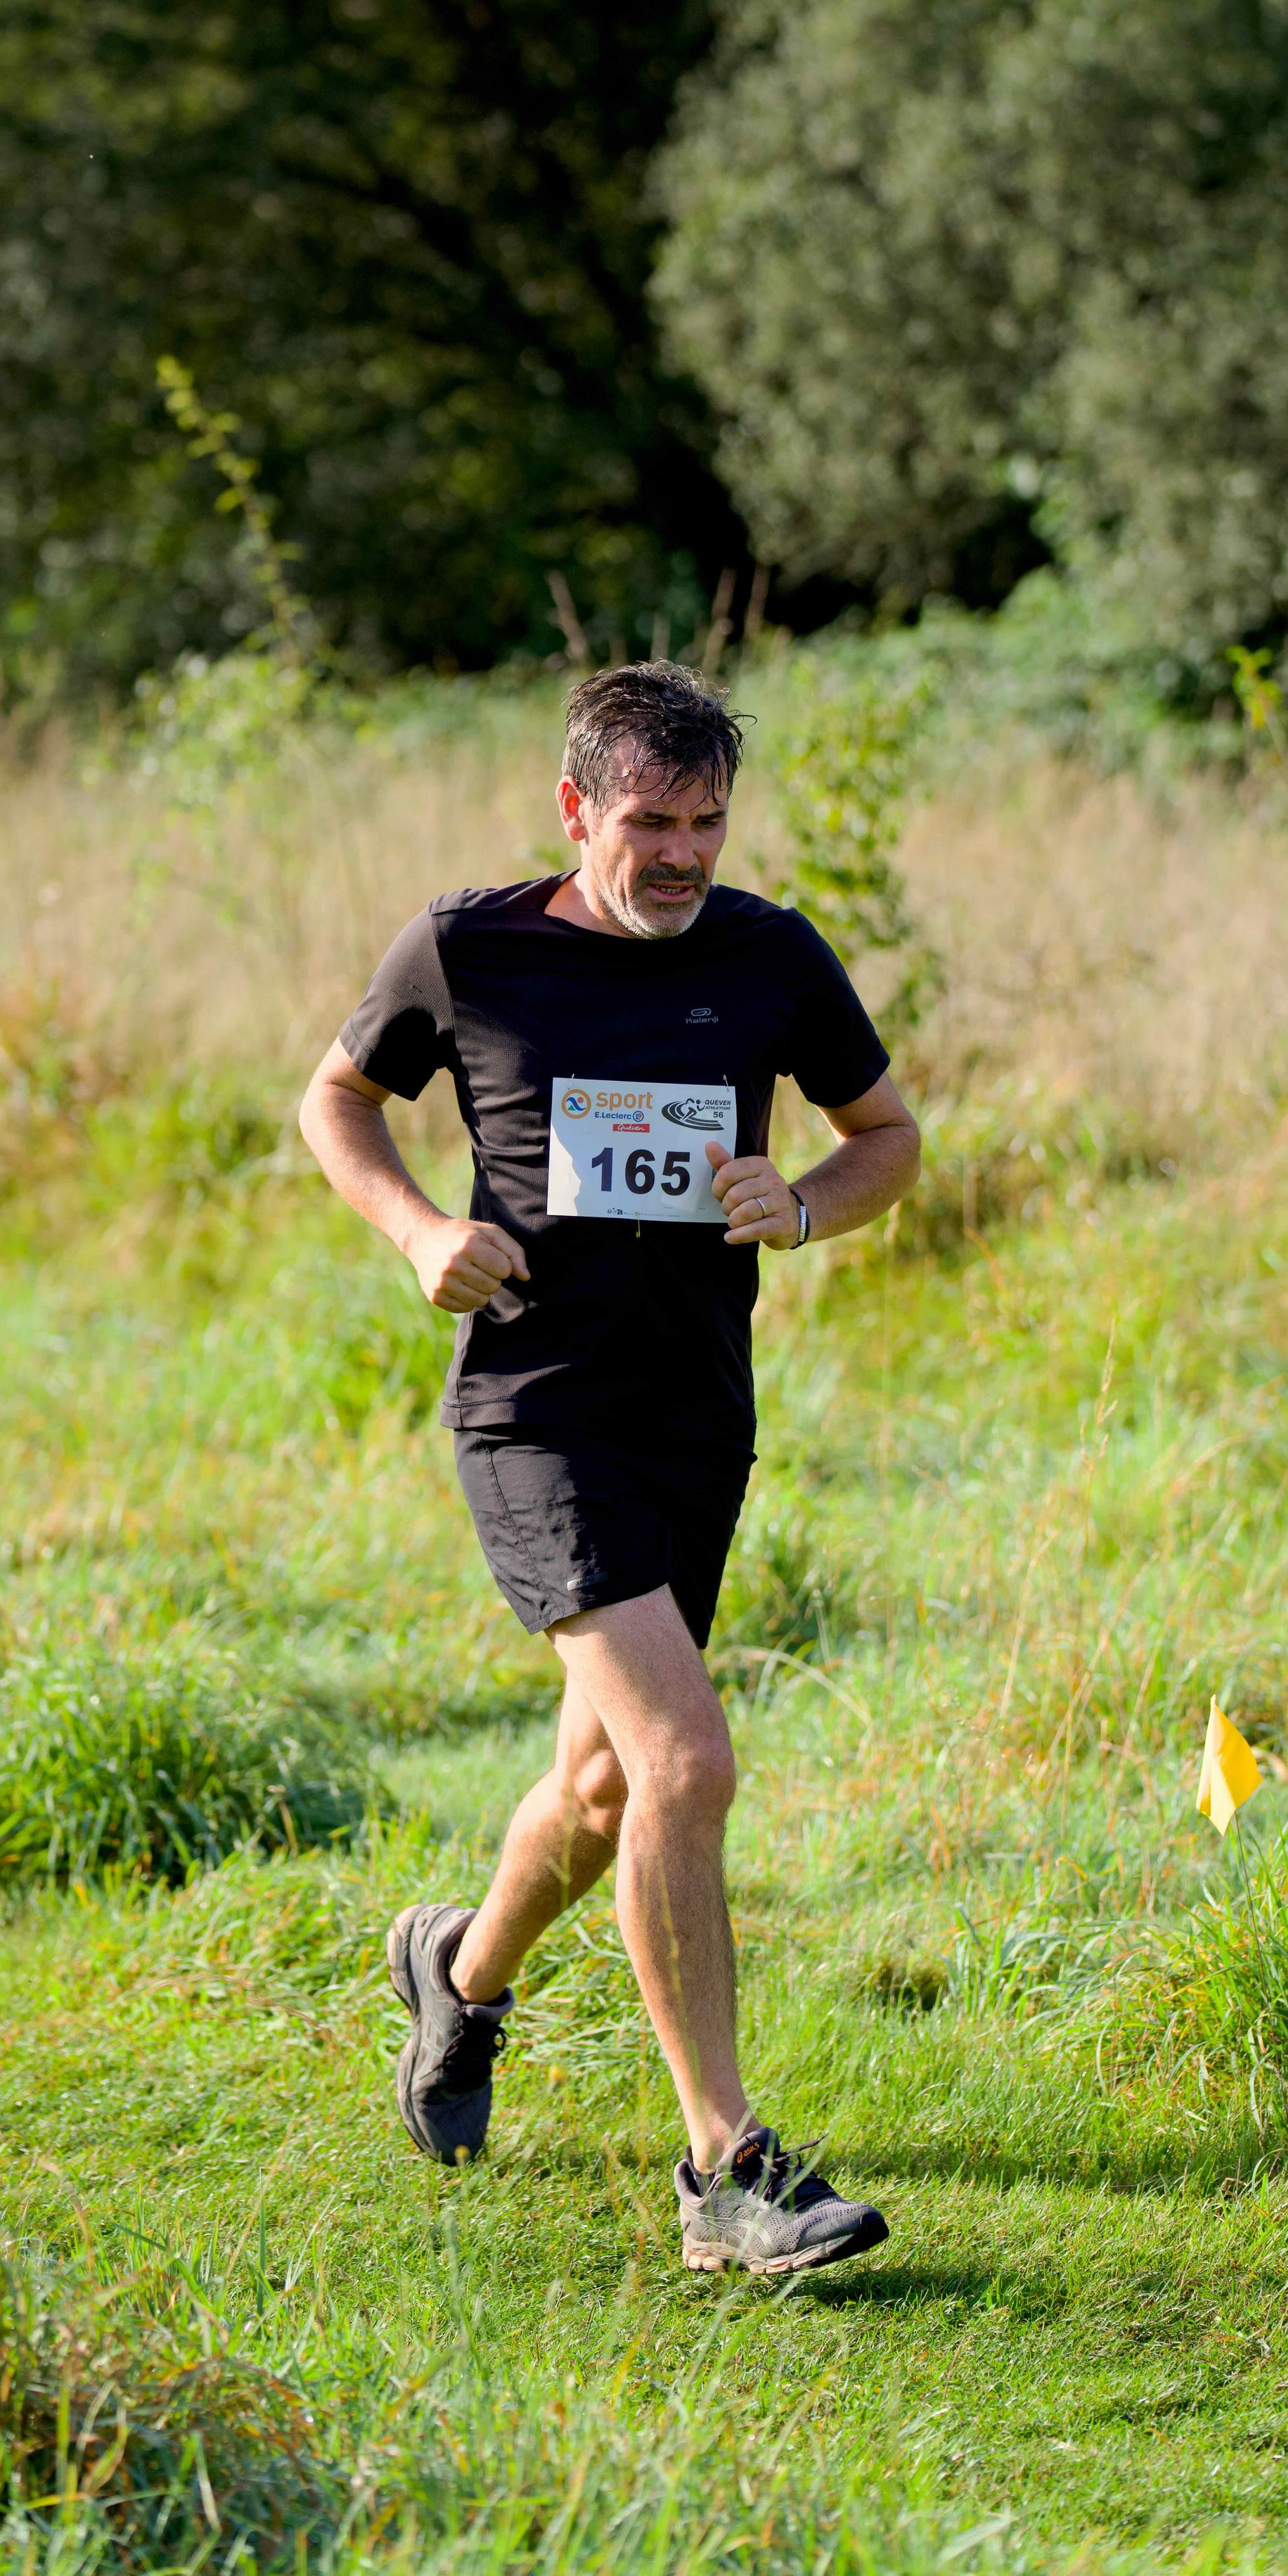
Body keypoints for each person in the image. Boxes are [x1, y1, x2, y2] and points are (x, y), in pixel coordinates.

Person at [297, 660, 920, 2276]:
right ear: (576, 809)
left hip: (695, 1420)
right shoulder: (470, 946)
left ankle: (458, 1974)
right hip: (535, 1411)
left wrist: (803, 1204)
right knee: (686, 1765)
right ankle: (728, 2171)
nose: (684, 855)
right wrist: (418, 1230)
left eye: (708, 823)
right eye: (652, 823)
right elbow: (338, 1100)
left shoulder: (773, 955)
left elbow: (889, 1140)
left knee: (600, 1791)